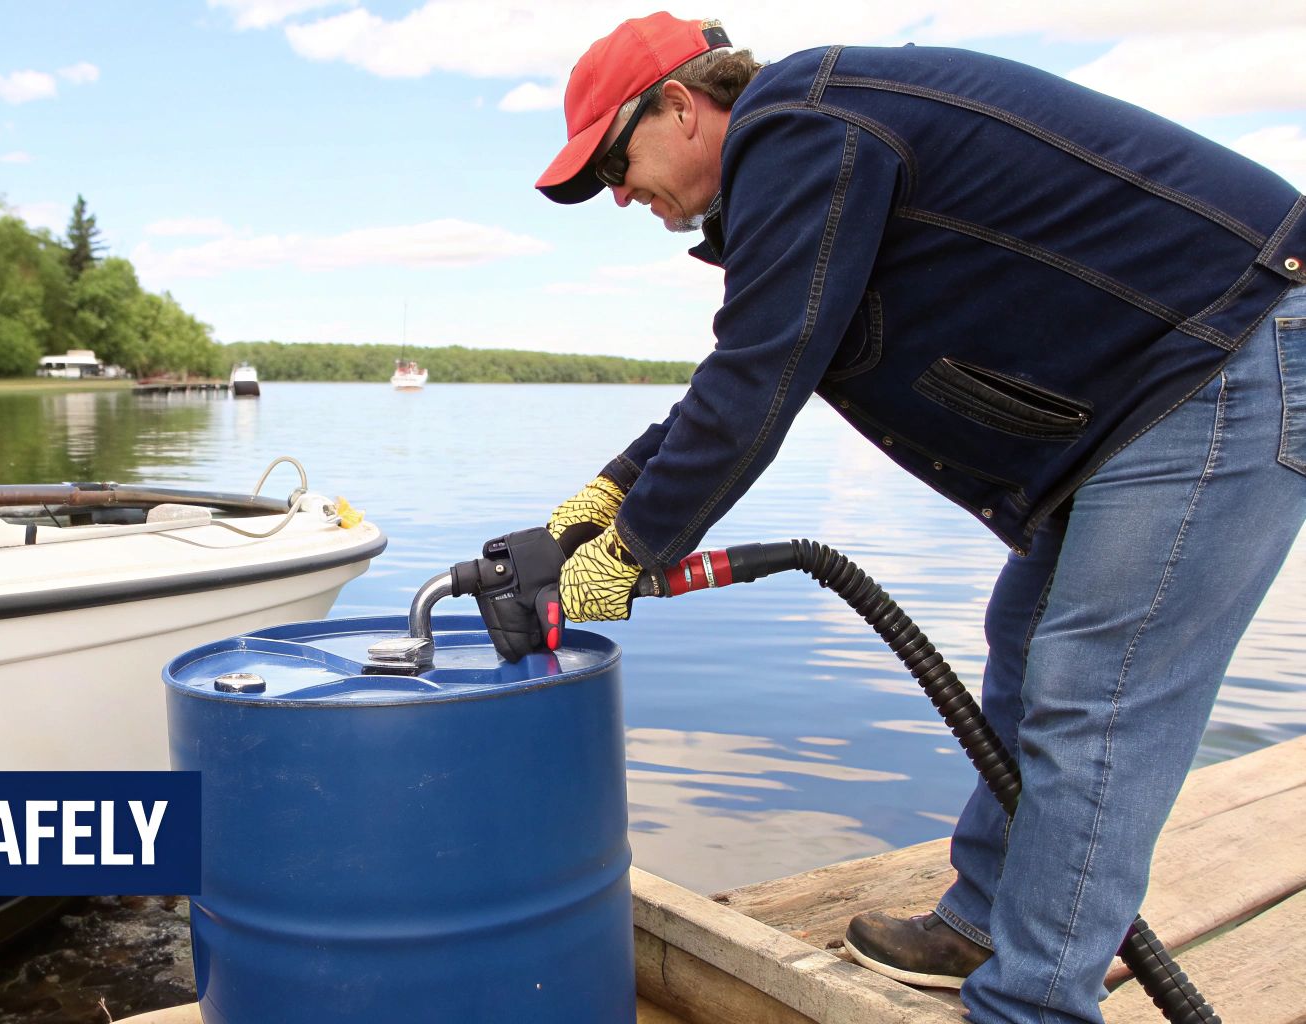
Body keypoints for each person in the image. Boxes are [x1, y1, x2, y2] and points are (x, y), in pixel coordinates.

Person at [534, 12, 1306, 1024]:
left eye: (614, 167)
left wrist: (637, 546)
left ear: (679, 104)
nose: (622, 196)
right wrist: (614, 485)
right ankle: (983, 920)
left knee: (1092, 696)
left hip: (1227, 357)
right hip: (1154, 388)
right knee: (1026, 645)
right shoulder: (811, 138)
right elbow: (764, 351)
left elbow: (763, 368)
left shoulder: (800, 124)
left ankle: (1032, 1002)